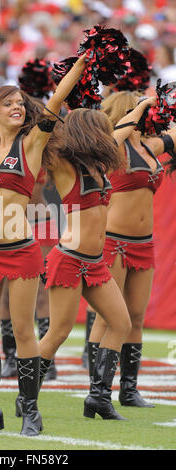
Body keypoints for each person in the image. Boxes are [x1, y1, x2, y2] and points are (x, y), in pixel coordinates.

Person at [0, 36, 87, 436]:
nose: (18, 107)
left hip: (20, 251)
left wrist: (81, 64)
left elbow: (54, 101)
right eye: (9, 104)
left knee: (22, 332)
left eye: (20, 103)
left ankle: (30, 412)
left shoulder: (33, 143)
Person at [37, 97, 158, 421]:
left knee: (122, 323)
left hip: (95, 262)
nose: (111, 134)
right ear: (89, 133)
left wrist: (144, 105)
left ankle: (99, 398)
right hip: (70, 257)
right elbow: (48, 124)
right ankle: (26, 396)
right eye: (103, 130)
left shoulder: (99, 166)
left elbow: (124, 128)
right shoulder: (65, 166)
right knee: (58, 333)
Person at [87, 90, 176, 408]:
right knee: (107, 317)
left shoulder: (149, 146)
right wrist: (142, 105)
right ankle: (97, 391)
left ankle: (129, 389)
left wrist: (167, 102)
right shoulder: (114, 147)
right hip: (113, 241)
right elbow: (116, 134)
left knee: (136, 316)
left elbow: (174, 132)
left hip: (144, 243)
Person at [0, 166, 59, 381]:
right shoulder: (5, 148)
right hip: (10, 223)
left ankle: (46, 359)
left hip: (40, 220)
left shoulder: (42, 147)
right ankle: (10, 357)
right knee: (6, 294)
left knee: (43, 291)